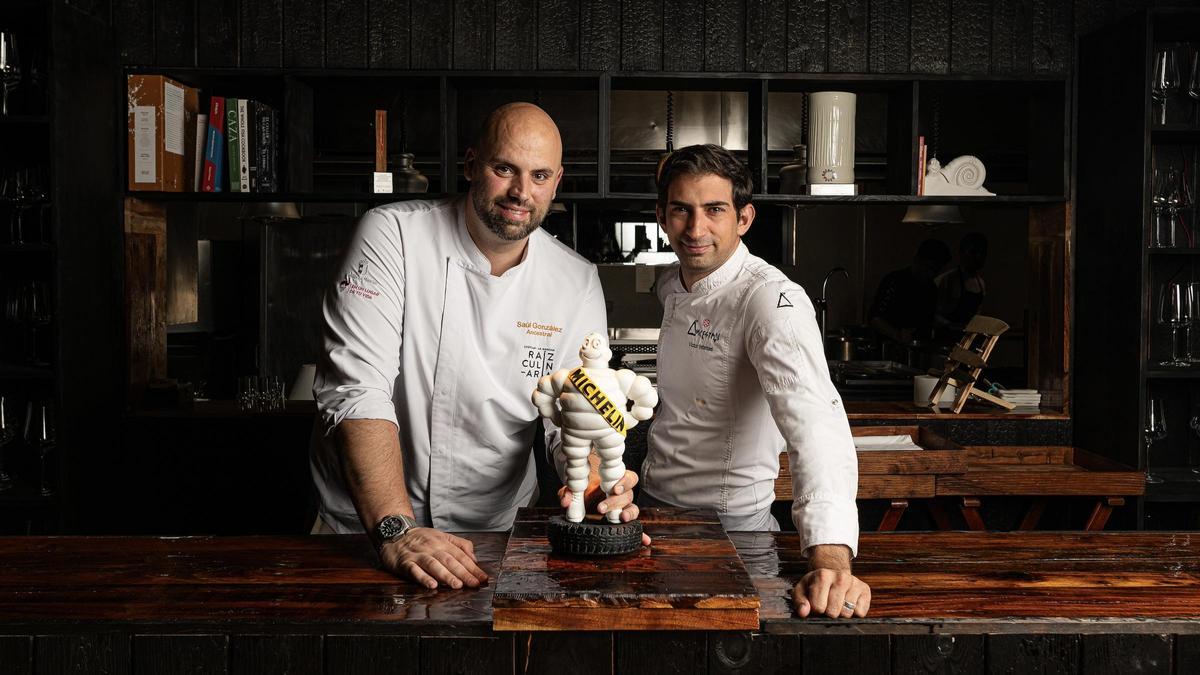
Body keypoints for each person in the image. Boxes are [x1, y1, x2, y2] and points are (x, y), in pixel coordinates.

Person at [309, 103, 643, 590]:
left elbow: (576, 408)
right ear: (470, 165)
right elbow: (357, 389)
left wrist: (594, 488)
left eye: (539, 175)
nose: (520, 192)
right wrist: (394, 530)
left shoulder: (575, 280)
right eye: (504, 168)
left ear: (557, 182)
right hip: (365, 533)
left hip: (496, 539)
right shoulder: (393, 235)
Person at [639, 144, 871, 619]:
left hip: (732, 530)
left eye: (714, 210)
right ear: (662, 217)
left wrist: (830, 558)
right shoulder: (671, 284)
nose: (695, 228)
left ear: (744, 218)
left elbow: (816, 425)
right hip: (651, 513)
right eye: (681, 210)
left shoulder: (769, 299)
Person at [868, 238, 952, 346]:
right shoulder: (895, 280)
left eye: (936, 270)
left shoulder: (931, 289)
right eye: (929, 268)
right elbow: (875, 318)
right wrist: (897, 334)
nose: (932, 274)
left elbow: (927, 320)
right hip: (888, 347)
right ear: (917, 260)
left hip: (916, 348)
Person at [936, 232, 988, 332]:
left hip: (967, 335)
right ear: (961, 253)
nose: (978, 257)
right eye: (973, 252)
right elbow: (932, 312)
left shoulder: (981, 283)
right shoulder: (947, 279)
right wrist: (949, 325)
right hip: (946, 336)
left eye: (982, 253)